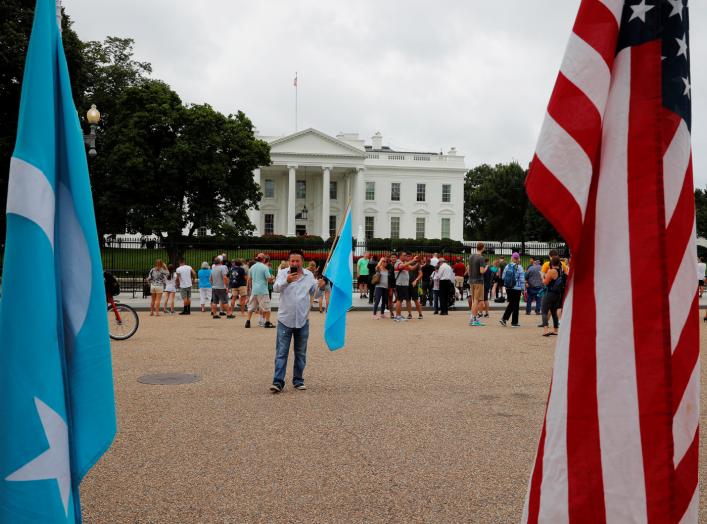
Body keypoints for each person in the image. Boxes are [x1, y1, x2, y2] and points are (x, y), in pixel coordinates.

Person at [269, 249, 326, 393]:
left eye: (297, 261)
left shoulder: (309, 275)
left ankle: (298, 380)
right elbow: (275, 288)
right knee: (282, 352)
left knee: (300, 352)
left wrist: (321, 286)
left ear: (302, 262)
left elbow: (315, 293)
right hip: (285, 319)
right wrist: (286, 281)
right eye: (292, 261)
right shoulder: (283, 273)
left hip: (302, 319)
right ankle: (278, 381)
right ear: (289, 262)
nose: (295, 263)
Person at [246, 253, 274, 328]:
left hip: (254, 290)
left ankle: (248, 322)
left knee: (251, 307)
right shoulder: (265, 267)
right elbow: (269, 279)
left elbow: (250, 279)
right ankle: (267, 322)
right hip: (263, 290)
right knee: (267, 307)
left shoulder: (252, 267)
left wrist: (250, 289)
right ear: (264, 259)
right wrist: (273, 278)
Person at [499, 253, 525, 327]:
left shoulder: (507, 266)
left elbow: (503, 277)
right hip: (517, 288)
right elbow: (522, 279)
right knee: (516, 305)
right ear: (518, 259)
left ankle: (504, 318)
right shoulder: (519, 267)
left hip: (508, 288)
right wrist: (523, 289)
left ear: (512, 258)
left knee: (511, 303)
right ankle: (514, 322)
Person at [541, 256, 564, 336]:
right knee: (554, 312)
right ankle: (555, 330)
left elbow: (546, 282)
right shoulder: (561, 270)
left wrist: (542, 277)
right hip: (558, 294)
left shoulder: (551, 271)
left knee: (544, 311)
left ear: (551, 262)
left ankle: (545, 330)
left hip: (550, 293)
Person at [468, 242, 488, 326]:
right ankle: (474, 319)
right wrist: (486, 267)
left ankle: (472, 318)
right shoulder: (481, 258)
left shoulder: (471, 256)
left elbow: (468, 269)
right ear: (482, 248)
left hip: (471, 280)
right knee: (477, 301)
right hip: (479, 281)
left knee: (473, 301)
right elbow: (481, 271)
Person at [394, 252, 413, 321]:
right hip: (400, 284)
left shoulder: (404, 263)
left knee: (400, 300)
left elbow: (412, 268)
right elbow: (401, 266)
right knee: (399, 300)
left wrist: (417, 262)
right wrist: (412, 260)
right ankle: (397, 316)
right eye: (404, 255)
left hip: (404, 284)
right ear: (400, 256)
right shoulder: (398, 262)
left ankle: (398, 315)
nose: (406, 256)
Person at [408, 255, 423, 320]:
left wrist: (416, 280)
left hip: (414, 284)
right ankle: (409, 314)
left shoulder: (417, 264)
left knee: (416, 299)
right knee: (408, 300)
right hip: (406, 283)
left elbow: (421, 274)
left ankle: (420, 313)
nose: (408, 257)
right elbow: (412, 268)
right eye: (407, 256)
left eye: (409, 256)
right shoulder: (405, 263)